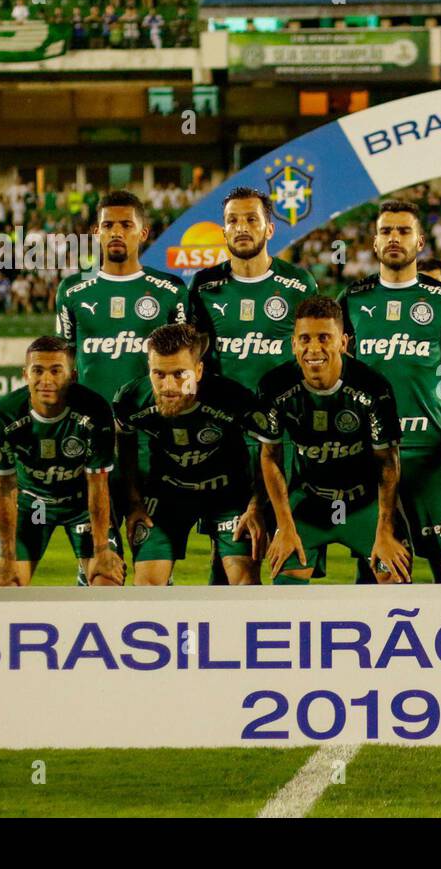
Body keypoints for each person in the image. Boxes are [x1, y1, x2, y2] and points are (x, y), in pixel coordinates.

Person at [338, 200, 441, 582]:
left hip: (431, 453)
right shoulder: (352, 299)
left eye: (403, 231)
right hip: (370, 454)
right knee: (379, 575)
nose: (394, 238)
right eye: (386, 231)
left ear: (420, 242)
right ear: (374, 242)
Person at [54, 189, 188, 579]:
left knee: (155, 576)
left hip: (154, 451)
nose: (116, 232)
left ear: (143, 232)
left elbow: (187, 371)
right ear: (95, 231)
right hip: (91, 449)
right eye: (108, 224)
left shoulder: (170, 292)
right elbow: (66, 370)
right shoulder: (72, 293)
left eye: (126, 225)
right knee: (99, 571)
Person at [188, 186, 317, 583]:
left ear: (270, 229)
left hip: (286, 444)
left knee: (289, 569)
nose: (241, 228)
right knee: (231, 568)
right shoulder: (203, 287)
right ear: (223, 231)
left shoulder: (299, 285)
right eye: (232, 221)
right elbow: (196, 366)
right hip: (226, 445)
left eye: (251, 220)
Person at [257, 298, 411, 585]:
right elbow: (270, 457)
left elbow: (387, 464)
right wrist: (285, 526)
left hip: (364, 501)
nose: (313, 348)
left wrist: (385, 530)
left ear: (343, 342)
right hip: (308, 500)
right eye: (305, 339)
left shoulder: (374, 387)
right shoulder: (274, 386)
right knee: (284, 589)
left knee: (395, 579)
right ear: (293, 344)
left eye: (324, 338)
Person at [114, 323, 273, 585]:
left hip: (227, 495)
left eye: (179, 374)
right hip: (167, 495)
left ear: (198, 370)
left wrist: (256, 506)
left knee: (244, 585)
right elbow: (125, 443)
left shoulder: (231, 398)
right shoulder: (131, 399)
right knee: (146, 588)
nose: (168, 385)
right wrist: (134, 504)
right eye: (159, 374)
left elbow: (270, 446)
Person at [0, 336, 124, 587]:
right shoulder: (2, 415)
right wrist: (6, 556)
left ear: (72, 375)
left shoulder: (95, 410)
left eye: (56, 370)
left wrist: (102, 549)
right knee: (4, 589)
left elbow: (98, 482)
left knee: (107, 585)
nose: (46, 380)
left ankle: (87, 570)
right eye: (38, 370)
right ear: (25, 374)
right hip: (33, 506)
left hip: (81, 506)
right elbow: (5, 490)